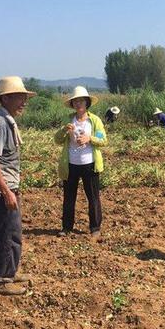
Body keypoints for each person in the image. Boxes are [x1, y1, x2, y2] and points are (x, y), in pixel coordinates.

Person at [0, 76, 35, 295]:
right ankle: (2, 280)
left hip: (5, 187)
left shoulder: (6, 121)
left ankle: (10, 272)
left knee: (13, 231)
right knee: (6, 233)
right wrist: (6, 191)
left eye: (25, 97)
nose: (24, 101)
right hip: (0, 190)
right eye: (20, 97)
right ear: (6, 98)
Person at [54, 86, 108, 238]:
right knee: (69, 197)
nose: (78, 104)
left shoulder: (94, 120)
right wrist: (64, 130)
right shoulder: (68, 120)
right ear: (72, 104)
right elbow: (57, 140)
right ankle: (66, 227)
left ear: (87, 103)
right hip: (70, 164)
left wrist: (90, 138)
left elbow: (103, 140)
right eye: (75, 101)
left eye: (81, 101)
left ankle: (95, 228)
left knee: (93, 197)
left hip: (90, 164)